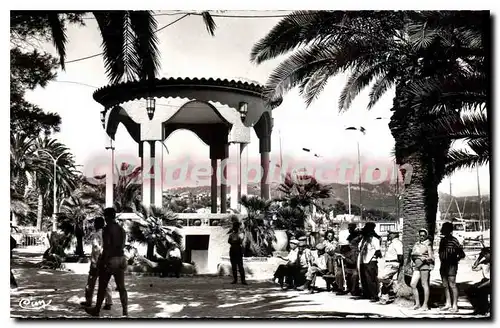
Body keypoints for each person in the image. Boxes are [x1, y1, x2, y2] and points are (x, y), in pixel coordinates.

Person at [85, 208, 128, 317]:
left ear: (107, 217)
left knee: (102, 286)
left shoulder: (107, 229)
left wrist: (101, 261)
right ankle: (125, 311)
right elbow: (122, 246)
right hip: (121, 259)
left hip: (110, 260)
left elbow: (107, 247)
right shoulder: (121, 229)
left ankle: (97, 310)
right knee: (122, 287)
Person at [80, 217, 112, 309]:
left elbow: (96, 249)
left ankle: (88, 301)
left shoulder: (96, 235)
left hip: (96, 262)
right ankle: (108, 302)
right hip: (106, 262)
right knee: (106, 282)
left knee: (91, 283)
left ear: (96, 225)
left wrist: (96, 262)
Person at [439, 222, 466, 313]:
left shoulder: (454, 240)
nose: (443, 230)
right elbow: (440, 253)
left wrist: (454, 260)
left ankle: (455, 305)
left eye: (444, 229)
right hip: (443, 265)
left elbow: (462, 254)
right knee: (445, 285)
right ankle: (448, 303)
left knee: (452, 284)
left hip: (451, 265)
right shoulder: (442, 241)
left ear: (449, 230)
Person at [409, 228, 434, 311]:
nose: (422, 237)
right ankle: (417, 304)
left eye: (423, 235)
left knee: (424, 284)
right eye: (420, 235)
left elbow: (431, 257)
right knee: (413, 284)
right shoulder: (416, 244)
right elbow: (412, 254)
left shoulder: (428, 244)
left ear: (426, 236)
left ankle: (425, 305)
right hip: (416, 267)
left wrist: (425, 259)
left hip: (424, 266)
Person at [358, 222, 382, 302]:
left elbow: (378, 251)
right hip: (363, 261)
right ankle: (367, 294)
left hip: (371, 261)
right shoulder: (364, 240)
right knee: (364, 279)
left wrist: (374, 256)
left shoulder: (374, 240)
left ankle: (374, 295)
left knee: (371, 279)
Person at [378, 230, 404, 304]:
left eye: (390, 234)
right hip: (387, 263)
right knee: (384, 282)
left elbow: (400, 255)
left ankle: (391, 283)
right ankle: (384, 298)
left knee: (381, 277)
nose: (389, 235)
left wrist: (399, 265)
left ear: (395, 234)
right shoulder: (390, 243)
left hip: (393, 263)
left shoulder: (397, 243)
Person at [465, 247, 490, 315]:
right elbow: (474, 268)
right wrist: (479, 258)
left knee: (481, 290)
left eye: (485, 254)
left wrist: (480, 286)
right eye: (483, 254)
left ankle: (485, 309)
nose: (484, 256)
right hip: (485, 280)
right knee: (469, 290)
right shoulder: (484, 262)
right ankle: (478, 308)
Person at [228, 221, 247, 285]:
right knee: (233, 266)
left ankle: (243, 280)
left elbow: (240, 241)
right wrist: (235, 241)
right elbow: (229, 241)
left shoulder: (240, 234)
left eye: (236, 226)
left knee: (240, 266)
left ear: (238, 227)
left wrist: (234, 241)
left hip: (238, 250)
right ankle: (235, 280)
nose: (234, 228)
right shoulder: (231, 235)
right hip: (232, 250)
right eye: (234, 227)